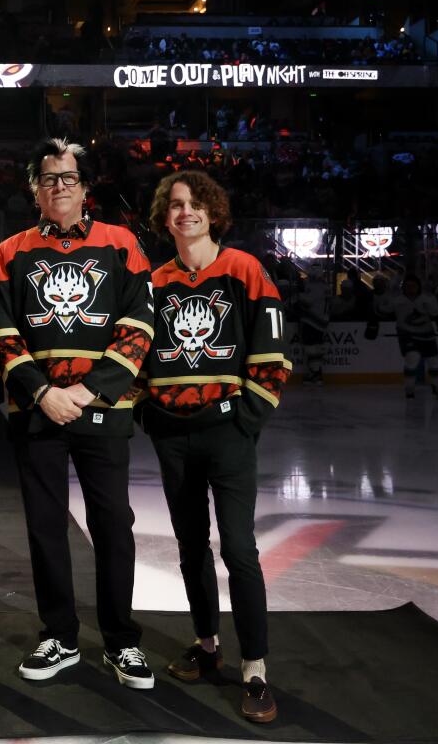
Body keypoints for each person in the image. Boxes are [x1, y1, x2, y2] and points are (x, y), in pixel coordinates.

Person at [0, 138, 155, 689]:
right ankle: (58, 634)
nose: (58, 186)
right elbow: (3, 332)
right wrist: (41, 392)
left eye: (68, 177)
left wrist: (85, 392)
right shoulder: (11, 251)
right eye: (47, 178)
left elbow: (138, 329)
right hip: (38, 412)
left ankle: (121, 641)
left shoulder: (122, 243)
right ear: (35, 189)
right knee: (43, 528)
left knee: (113, 526)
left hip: (100, 409)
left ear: (85, 186)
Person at [134, 170, 288, 723]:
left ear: (213, 212)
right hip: (174, 437)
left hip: (228, 434)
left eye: (197, 203)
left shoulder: (244, 269)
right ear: (164, 216)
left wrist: (246, 419)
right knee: (190, 547)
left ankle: (255, 670)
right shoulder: (152, 283)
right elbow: (136, 357)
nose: (186, 212)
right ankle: (206, 645)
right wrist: (147, 412)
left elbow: (272, 352)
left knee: (240, 551)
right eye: (176, 205)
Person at [377, 274, 438, 398]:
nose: (411, 288)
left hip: (427, 335)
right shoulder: (397, 300)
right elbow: (382, 311)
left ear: (419, 287)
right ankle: (410, 389)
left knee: (434, 362)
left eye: (413, 286)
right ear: (403, 288)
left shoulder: (427, 299)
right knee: (412, 358)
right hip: (407, 335)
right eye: (408, 286)